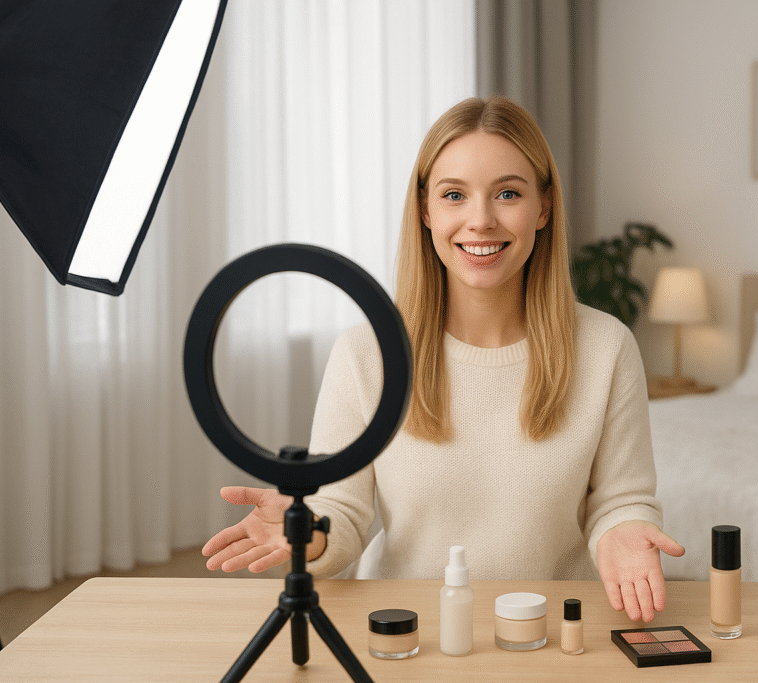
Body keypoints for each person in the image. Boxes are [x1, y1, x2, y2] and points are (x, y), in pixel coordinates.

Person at [202, 96, 685, 623]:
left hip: (554, 633)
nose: (480, 220)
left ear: (543, 207)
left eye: (507, 193)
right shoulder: (367, 354)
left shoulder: (606, 346)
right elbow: (341, 510)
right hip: (406, 631)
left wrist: (623, 529)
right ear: (426, 210)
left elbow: (621, 498)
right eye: (455, 194)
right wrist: (304, 531)